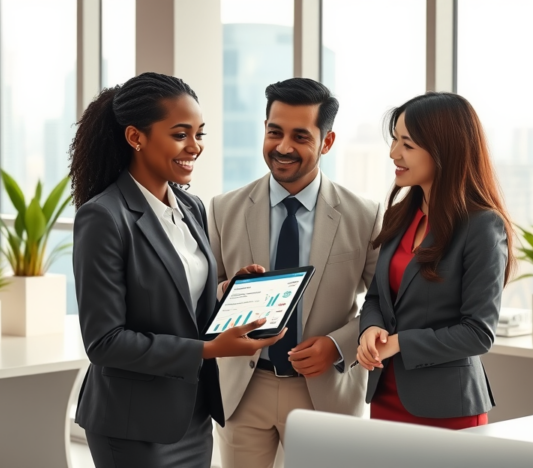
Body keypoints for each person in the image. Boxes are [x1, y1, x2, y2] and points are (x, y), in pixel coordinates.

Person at [69, 72, 284, 468]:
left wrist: (226, 291)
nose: (195, 147)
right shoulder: (103, 217)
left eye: (200, 134)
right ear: (136, 137)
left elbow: (177, 299)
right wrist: (209, 349)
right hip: (133, 425)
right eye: (181, 134)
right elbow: (104, 342)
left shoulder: (192, 208)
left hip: (193, 413)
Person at [209, 78, 383, 468]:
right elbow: (202, 298)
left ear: (327, 142)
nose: (283, 147)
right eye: (274, 132)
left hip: (326, 392)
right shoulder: (223, 209)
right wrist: (227, 290)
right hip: (243, 389)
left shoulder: (365, 215)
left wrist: (337, 346)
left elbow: (383, 303)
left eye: (300, 136)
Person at [356, 92, 515, 429]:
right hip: (385, 398)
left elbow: (478, 333)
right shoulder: (399, 216)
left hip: (448, 409)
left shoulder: (482, 226)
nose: (393, 153)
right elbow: (376, 297)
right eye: (394, 140)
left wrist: (399, 343)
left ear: (444, 150)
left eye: (407, 145)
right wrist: (370, 328)